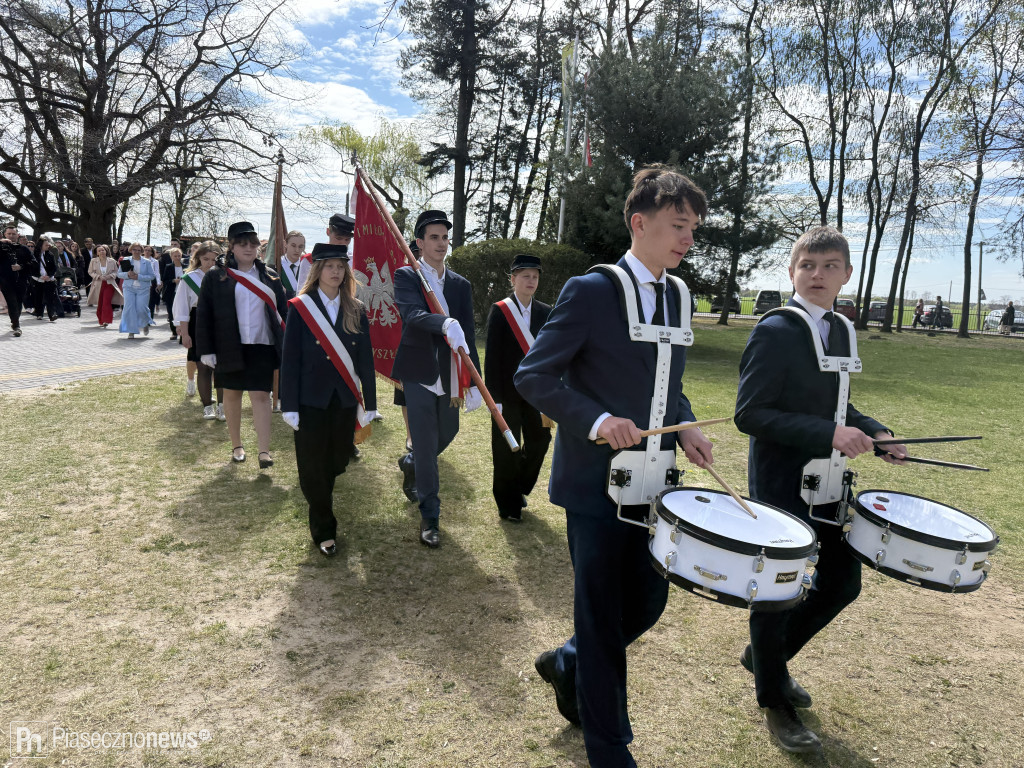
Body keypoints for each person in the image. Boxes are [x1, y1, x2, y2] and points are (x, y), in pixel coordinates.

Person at [515, 165, 714, 768]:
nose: (686, 239)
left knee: (649, 603)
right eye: (678, 225)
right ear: (639, 222)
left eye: (693, 229)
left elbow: (667, 383)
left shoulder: (678, 295)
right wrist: (599, 422)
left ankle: (569, 661)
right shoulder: (591, 290)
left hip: (657, 487)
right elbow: (534, 376)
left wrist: (688, 422)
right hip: (596, 490)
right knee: (602, 618)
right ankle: (609, 747)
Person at [734, 225, 906, 754]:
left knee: (841, 583)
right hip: (782, 484)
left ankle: (766, 658)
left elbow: (837, 407)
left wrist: (875, 430)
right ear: (792, 271)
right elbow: (751, 414)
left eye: (830, 265)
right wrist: (830, 433)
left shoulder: (841, 330)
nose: (817, 274)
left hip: (829, 482)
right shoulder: (776, 330)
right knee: (780, 592)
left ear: (846, 275)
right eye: (808, 265)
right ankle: (774, 699)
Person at [392, 210, 482, 548]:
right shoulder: (407, 275)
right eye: (434, 237)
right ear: (419, 242)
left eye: (445, 237)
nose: (441, 243)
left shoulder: (460, 284)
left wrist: (474, 379)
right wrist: (442, 323)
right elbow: (412, 314)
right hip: (418, 372)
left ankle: (413, 462)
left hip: (451, 375)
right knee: (428, 443)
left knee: (449, 431)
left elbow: (468, 334)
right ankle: (430, 517)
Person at [280, 243, 378, 556]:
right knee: (312, 466)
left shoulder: (356, 308)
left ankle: (322, 501)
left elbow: (365, 359)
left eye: (340, 267)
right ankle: (324, 528)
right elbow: (290, 358)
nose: (335, 272)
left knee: (335, 462)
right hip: (310, 400)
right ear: (317, 270)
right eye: (329, 266)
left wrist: (371, 403)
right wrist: (289, 404)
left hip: (344, 400)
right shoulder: (300, 306)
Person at [195, 221, 287, 466]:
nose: (249, 248)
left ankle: (264, 451)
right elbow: (204, 314)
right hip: (229, 346)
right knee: (232, 396)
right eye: (242, 244)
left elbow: (283, 313)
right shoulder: (217, 276)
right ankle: (237, 447)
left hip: (262, 345)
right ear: (231, 247)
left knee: (261, 396)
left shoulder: (270, 276)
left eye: (253, 244)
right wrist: (205, 350)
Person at [484, 253, 552, 522]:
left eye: (535, 277)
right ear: (513, 279)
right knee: (506, 450)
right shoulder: (500, 310)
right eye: (525, 276)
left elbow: (549, 354)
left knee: (540, 442)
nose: (531, 281)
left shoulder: (546, 312)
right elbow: (493, 356)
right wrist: (494, 398)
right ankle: (508, 505)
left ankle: (520, 487)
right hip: (507, 394)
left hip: (536, 394)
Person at [174, 241, 225, 419]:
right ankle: (207, 406)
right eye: (206, 259)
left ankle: (222, 406)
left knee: (221, 367)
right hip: (198, 322)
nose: (210, 263)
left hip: (220, 322)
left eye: (214, 259)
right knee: (203, 366)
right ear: (198, 258)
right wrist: (185, 334)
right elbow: (182, 308)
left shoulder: (224, 276)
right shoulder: (189, 279)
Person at [117, 242, 159, 338]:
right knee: (129, 308)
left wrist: (138, 277)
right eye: (134, 250)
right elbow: (119, 274)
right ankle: (131, 330)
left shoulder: (147, 262)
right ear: (131, 250)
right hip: (129, 288)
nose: (136, 252)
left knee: (141, 308)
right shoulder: (125, 260)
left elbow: (152, 276)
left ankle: (145, 323)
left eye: (139, 250)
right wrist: (127, 275)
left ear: (142, 251)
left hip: (143, 289)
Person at [1, 224, 35, 337]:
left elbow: (33, 263)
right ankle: (16, 326)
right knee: (12, 301)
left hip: (22, 280)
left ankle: (14, 321)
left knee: (18, 302)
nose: (11, 236)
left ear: (18, 235)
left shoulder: (24, 249)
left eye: (13, 234)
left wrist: (21, 266)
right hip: (5, 280)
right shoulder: (1, 247)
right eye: (9, 234)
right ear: (5, 235)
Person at [31, 239, 61, 321]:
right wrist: (40, 276)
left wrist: (49, 275)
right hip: (37, 279)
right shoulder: (34, 255)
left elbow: (54, 267)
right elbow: (31, 268)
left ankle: (51, 314)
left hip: (48, 279)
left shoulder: (50, 254)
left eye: (48, 245)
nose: (48, 246)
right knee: (38, 297)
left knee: (50, 298)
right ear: (41, 245)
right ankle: (39, 314)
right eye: (46, 245)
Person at [89, 244, 118, 327]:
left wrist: (109, 276)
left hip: (109, 284)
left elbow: (116, 272)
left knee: (106, 302)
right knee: (100, 303)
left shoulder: (112, 261)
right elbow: (90, 272)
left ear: (106, 251)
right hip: (98, 284)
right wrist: (98, 277)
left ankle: (106, 320)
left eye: (103, 250)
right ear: (97, 253)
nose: (101, 252)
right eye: (99, 251)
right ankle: (101, 320)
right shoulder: (93, 261)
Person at [277, 231, 310, 300]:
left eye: (300, 246)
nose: (297, 250)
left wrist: (288, 293)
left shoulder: (308, 267)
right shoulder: (276, 265)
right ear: (285, 244)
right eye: (293, 245)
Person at [162, 248, 184, 340]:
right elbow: (165, 280)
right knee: (171, 313)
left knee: (183, 312)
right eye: (175, 256)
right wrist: (173, 281)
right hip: (171, 293)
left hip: (183, 293)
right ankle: (174, 332)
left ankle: (183, 331)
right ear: (171, 257)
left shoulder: (186, 266)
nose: (177, 257)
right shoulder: (169, 267)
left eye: (179, 255)